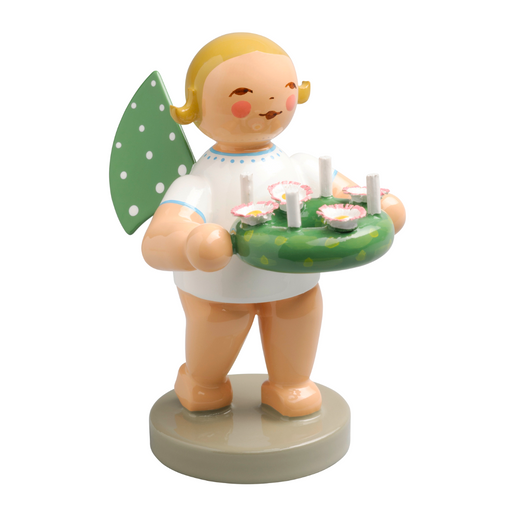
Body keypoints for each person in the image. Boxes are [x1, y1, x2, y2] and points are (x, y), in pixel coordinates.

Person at [141, 32, 406, 417]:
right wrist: (191, 244)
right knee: (218, 330)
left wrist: (379, 206)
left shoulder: (299, 165)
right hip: (218, 290)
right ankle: (201, 381)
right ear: (195, 107)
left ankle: (289, 384)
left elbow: (347, 194)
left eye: (285, 91)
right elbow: (157, 241)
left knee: (298, 316)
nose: (269, 106)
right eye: (242, 94)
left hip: (293, 284)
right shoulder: (199, 182)